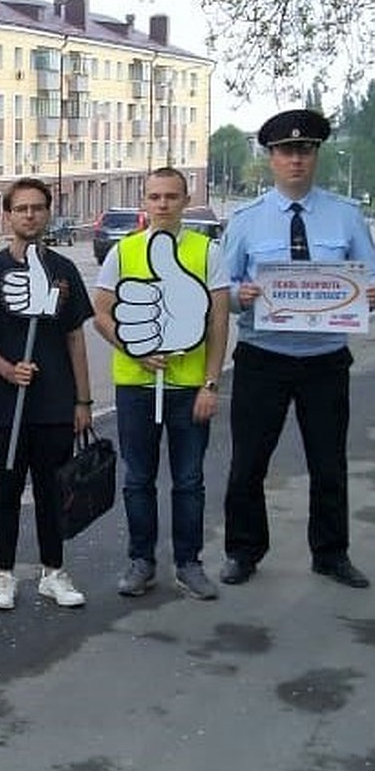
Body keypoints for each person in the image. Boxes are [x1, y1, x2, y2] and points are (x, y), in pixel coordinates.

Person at [221, 108, 375, 588]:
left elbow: (368, 277)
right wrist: (237, 296)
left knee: (328, 462)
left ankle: (330, 553)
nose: (296, 160)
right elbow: (221, 290)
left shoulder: (346, 217)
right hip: (261, 357)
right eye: (286, 151)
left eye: (305, 150)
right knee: (249, 461)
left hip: (324, 360)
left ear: (316, 155)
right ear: (271, 157)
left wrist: (370, 293)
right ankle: (243, 552)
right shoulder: (246, 221)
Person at [94, 167, 229, 600]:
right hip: (135, 386)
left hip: (189, 387)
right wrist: (133, 347)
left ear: (185, 201)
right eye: (155, 197)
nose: (163, 204)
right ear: (144, 202)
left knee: (189, 480)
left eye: (172, 196)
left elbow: (218, 320)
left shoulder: (206, 251)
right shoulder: (124, 251)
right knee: (138, 479)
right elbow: (101, 313)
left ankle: (188, 564)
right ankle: (142, 562)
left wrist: (211, 384)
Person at [0, 177, 93, 610]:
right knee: (5, 491)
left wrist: (83, 401)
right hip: (4, 407)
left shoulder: (64, 271)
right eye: (22, 208)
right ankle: (3, 574)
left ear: (48, 213)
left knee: (53, 493)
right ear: (8, 214)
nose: (30, 215)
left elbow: (75, 337)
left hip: (55, 404)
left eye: (38, 207)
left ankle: (53, 572)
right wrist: (5, 368)